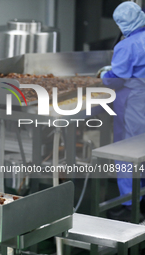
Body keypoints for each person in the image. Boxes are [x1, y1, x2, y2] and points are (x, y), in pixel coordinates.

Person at [97, 1, 145, 222]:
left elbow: (117, 81)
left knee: (126, 154)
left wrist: (105, 76)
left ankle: (128, 205)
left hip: (133, 104)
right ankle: (142, 200)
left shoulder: (126, 46)